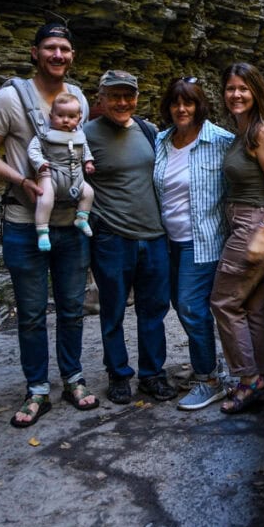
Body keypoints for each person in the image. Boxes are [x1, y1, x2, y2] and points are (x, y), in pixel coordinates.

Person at [0, 21, 99, 427]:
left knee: (73, 308)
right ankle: (37, 390)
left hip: (71, 223)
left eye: (64, 48)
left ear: (72, 55)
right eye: (50, 48)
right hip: (25, 223)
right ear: (34, 53)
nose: (58, 55)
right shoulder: (9, 98)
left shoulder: (76, 96)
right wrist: (21, 179)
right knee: (30, 312)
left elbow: (81, 146)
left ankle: (74, 378)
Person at [84, 69, 177, 404]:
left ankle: (152, 374)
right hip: (112, 238)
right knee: (113, 311)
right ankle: (119, 374)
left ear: (136, 98)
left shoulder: (147, 130)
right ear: (101, 97)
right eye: (114, 95)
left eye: (128, 95)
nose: (122, 102)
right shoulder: (85, 135)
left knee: (154, 311)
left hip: (153, 237)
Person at [210, 62, 264, 414]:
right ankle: (261, 378)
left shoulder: (263, 131)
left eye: (243, 88)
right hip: (250, 223)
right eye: (230, 88)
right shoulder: (243, 131)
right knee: (255, 307)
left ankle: (248, 380)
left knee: (224, 302)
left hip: (253, 226)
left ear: (257, 91)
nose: (236, 94)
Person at [153, 76, 235, 410]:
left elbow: (250, 174)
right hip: (166, 241)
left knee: (190, 307)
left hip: (202, 241)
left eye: (188, 102)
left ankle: (210, 379)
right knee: (184, 306)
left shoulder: (221, 140)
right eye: (175, 102)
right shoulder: (160, 140)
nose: (182, 109)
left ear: (200, 105)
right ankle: (211, 367)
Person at [27, 92, 96, 251]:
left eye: (71, 116)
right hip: (52, 174)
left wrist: (88, 162)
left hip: (75, 176)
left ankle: (81, 217)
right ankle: (42, 231)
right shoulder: (44, 135)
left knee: (89, 192)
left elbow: (85, 150)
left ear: (79, 118)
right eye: (60, 115)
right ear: (51, 116)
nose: (66, 120)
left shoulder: (80, 136)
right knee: (45, 200)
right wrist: (40, 162)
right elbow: (33, 150)